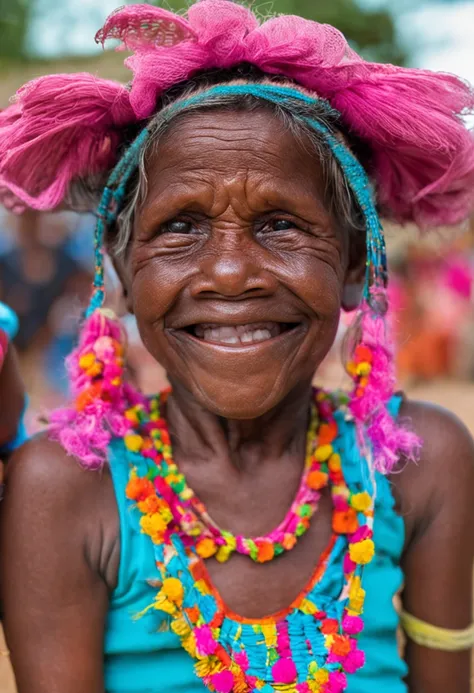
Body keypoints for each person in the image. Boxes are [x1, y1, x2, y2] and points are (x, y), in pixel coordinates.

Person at [1, 3, 474, 692]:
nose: (229, 272)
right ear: (123, 276)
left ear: (352, 267)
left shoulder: (418, 463)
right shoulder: (70, 489)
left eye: (281, 225)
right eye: (180, 227)